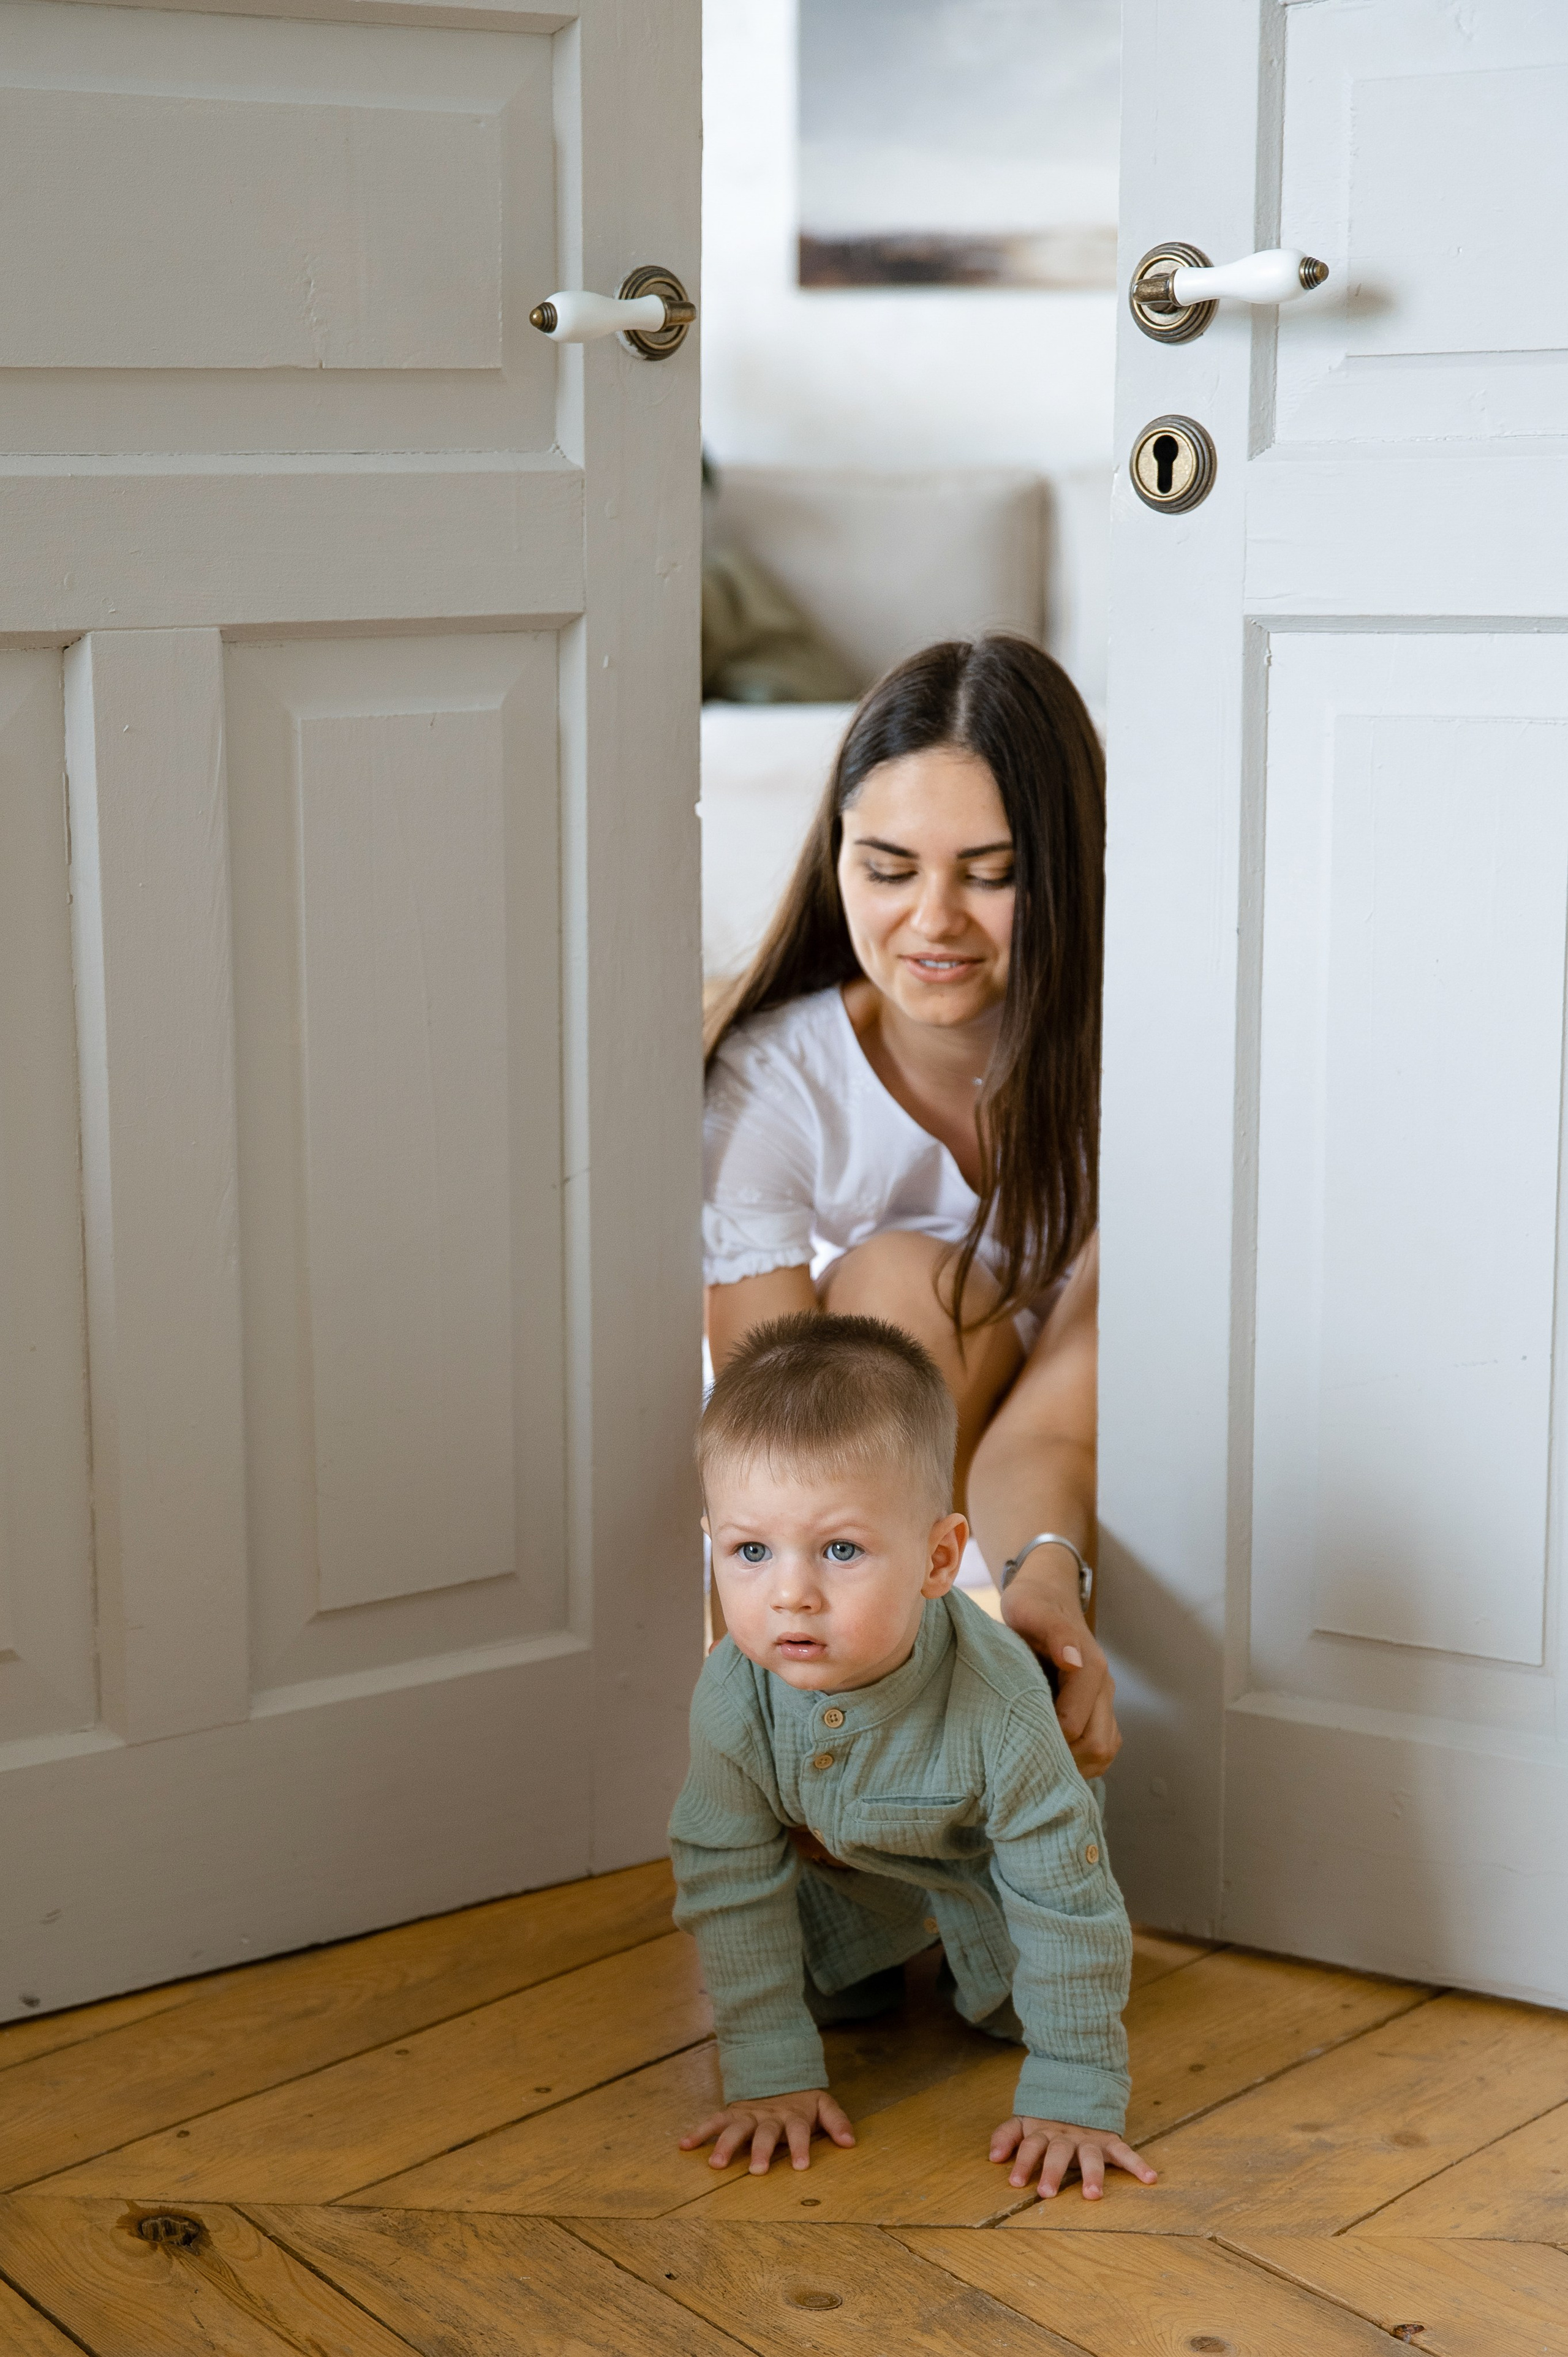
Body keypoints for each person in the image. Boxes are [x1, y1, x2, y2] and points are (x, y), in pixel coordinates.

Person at [703, 635, 1114, 1775]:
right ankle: (830, 1748)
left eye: (991, 874)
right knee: (893, 1279)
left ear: (1069, 869)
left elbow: (1058, 1427)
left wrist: (1042, 1576)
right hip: (846, 1503)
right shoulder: (770, 1084)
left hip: (1058, 1455)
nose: (933, 921)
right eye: (888, 869)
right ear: (836, 859)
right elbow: (779, 1451)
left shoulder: (1143, 1074)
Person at [672, 1313, 1154, 2198]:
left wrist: (1075, 2093)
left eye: (842, 1550)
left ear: (939, 1560)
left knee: (1011, 2012)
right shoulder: (734, 1688)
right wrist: (770, 2070)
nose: (790, 1596)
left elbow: (1065, 1903)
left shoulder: (1000, 1704)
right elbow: (727, 1876)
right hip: (846, 1876)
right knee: (830, 2001)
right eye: (749, 1551)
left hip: (996, 1885)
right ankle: (870, 1962)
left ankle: (988, 1986)